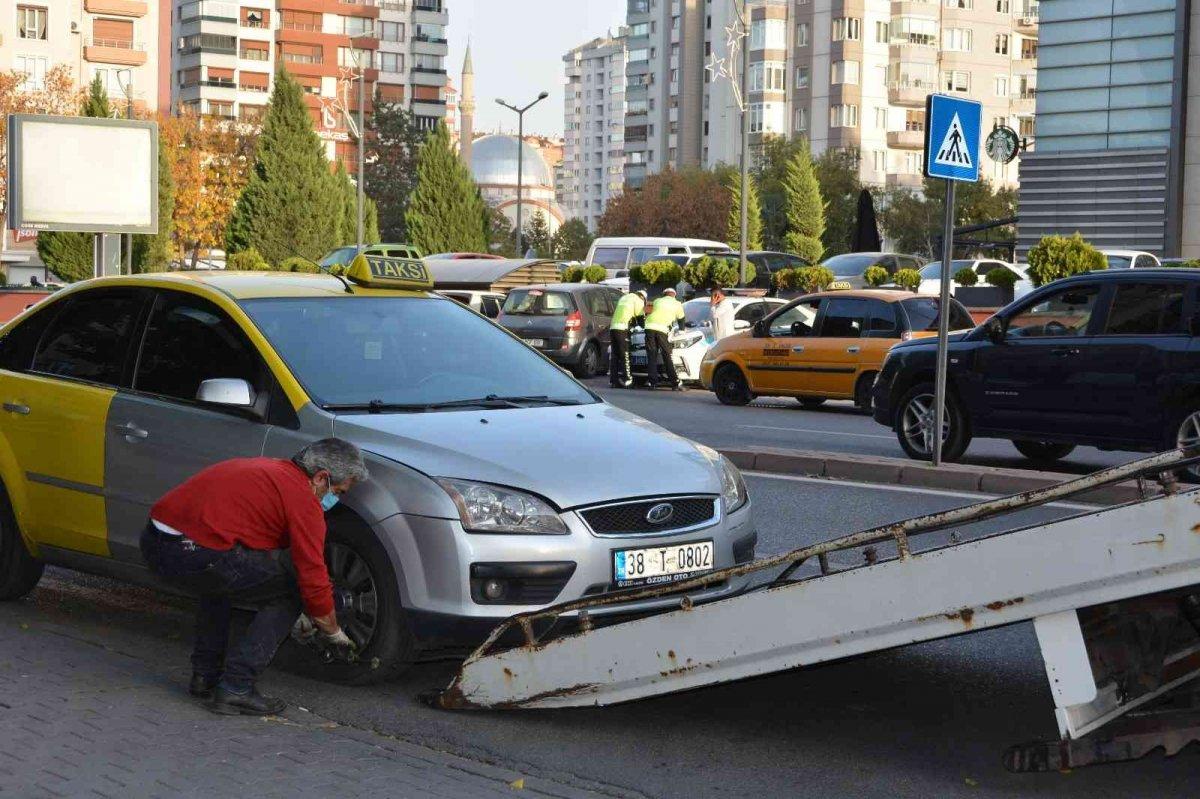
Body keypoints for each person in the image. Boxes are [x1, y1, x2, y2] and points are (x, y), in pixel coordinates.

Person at [140, 439, 368, 716]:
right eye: (338, 491)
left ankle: (205, 677)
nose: (335, 499)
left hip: (156, 541)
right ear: (321, 477)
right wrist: (333, 631)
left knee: (219, 584)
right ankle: (236, 687)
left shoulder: (268, 469)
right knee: (289, 593)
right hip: (195, 552)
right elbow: (311, 575)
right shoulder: (304, 500)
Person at [644, 287, 686, 390]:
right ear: (674, 295)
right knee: (667, 355)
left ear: (664, 294)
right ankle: (675, 383)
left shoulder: (657, 301)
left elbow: (647, 311)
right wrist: (681, 330)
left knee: (652, 356)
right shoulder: (677, 303)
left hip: (649, 327)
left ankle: (652, 383)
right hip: (662, 329)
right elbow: (681, 319)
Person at [609, 289, 646, 388]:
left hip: (613, 328)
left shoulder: (624, 297)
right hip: (622, 328)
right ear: (642, 297)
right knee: (625, 355)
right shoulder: (638, 300)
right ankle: (627, 380)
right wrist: (643, 326)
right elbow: (640, 318)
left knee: (615, 356)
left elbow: (625, 312)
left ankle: (613, 381)